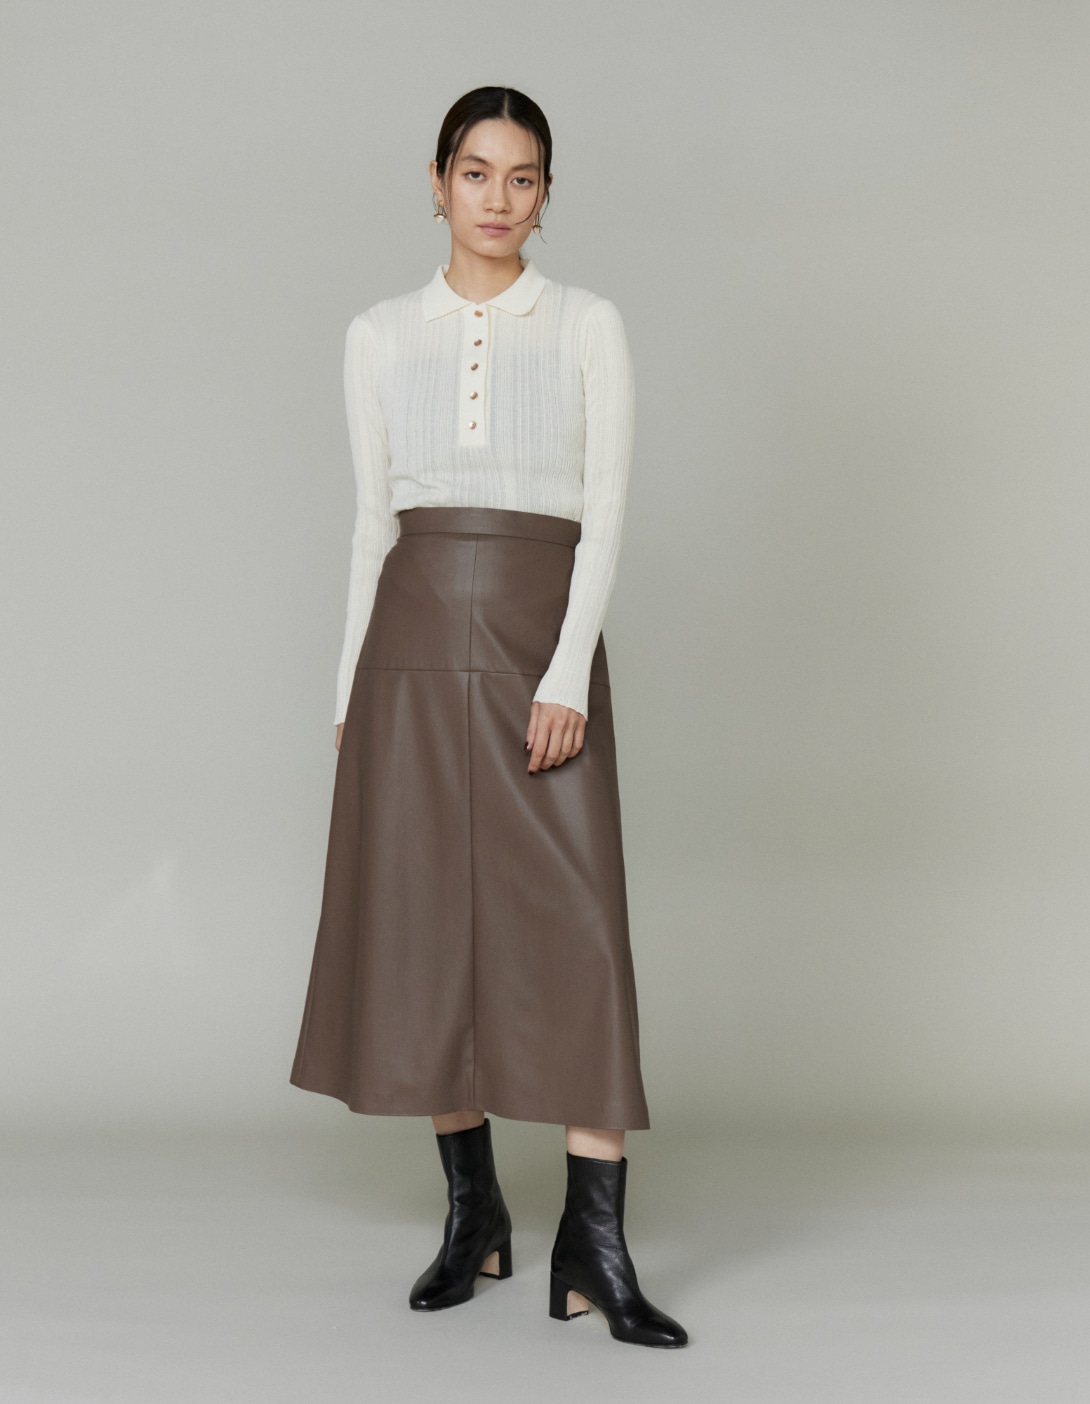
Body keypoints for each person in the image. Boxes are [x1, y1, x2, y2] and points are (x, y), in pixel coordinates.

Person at [289, 85, 687, 1349]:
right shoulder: (376, 334)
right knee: (423, 924)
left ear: (546, 193)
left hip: (535, 639)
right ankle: (475, 1216)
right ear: (437, 180)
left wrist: (566, 672)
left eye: (523, 178)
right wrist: (347, 691)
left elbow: (606, 511)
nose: (498, 199)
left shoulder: (586, 325)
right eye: (476, 172)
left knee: (578, 931)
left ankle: (596, 1244)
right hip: (407, 643)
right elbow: (372, 524)